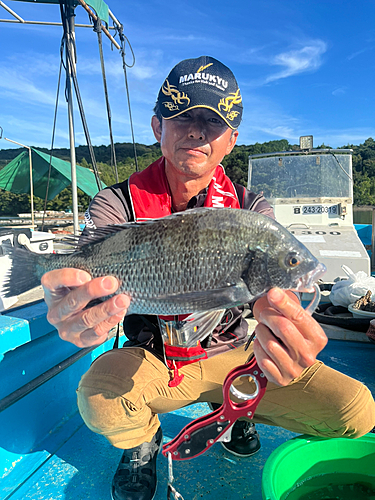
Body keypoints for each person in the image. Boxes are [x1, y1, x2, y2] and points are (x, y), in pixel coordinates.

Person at [42, 56, 375, 500]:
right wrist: (73, 306)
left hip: (235, 355)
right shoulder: (117, 204)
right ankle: (143, 439)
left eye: (212, 122)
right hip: (153, 359)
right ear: (158, 127)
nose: (196, 130)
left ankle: (236, 407)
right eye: (182, 117)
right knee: (100, 400)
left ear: (231, 140)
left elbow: (269, 296)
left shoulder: (251, 210)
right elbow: (83, 278)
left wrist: (287, 322)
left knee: (355, 409)